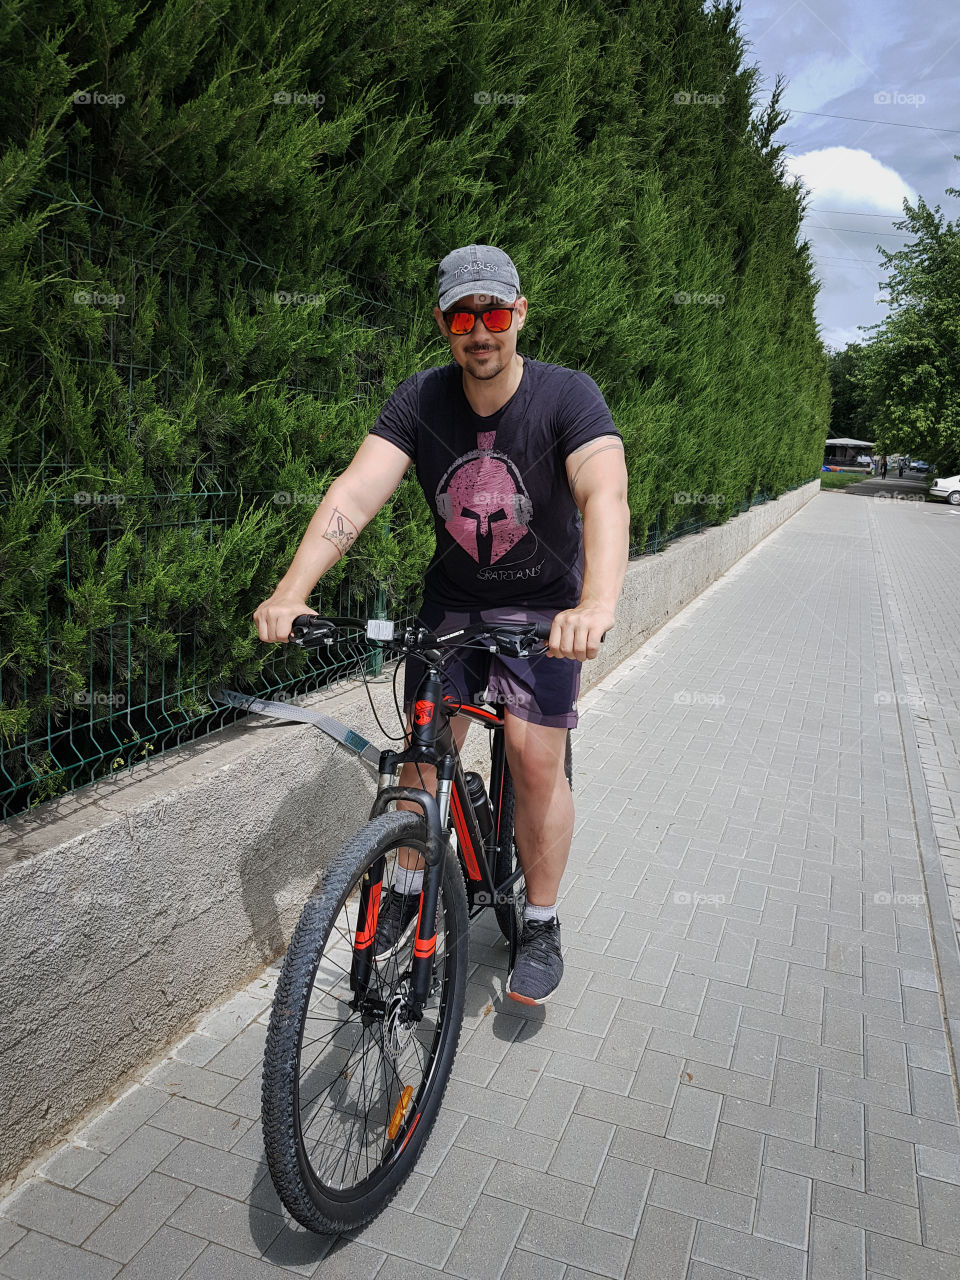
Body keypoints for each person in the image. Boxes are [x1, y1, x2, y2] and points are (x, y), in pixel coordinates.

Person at [253, 244, 630, 1004]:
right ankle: (402, 880)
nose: (479, 331)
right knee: (418, 763)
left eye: (494, 313)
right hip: (452, 606)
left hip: (544, 612)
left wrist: (595, 606)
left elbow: (604, 496)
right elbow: (353, 498)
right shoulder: (421, 400)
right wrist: (292, 590)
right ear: (443, 323)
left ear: (519, 314)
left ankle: (544, 920)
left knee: (532, 759)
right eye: (463, 316)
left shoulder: (568, 396)